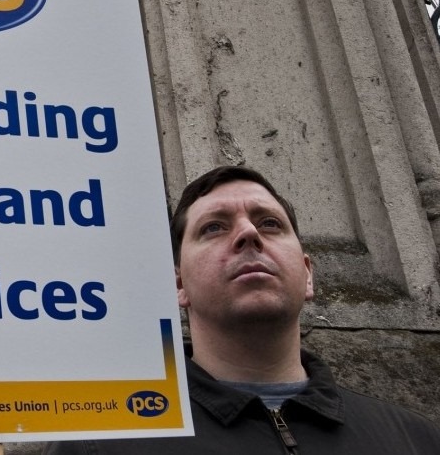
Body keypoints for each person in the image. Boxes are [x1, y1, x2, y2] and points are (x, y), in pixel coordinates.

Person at [44, 165, 440, 454]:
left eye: (269, 223)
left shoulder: (415, 440)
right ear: (178, 284)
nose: (249, 233)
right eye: (214, 227)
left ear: (307, 275)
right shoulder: (101, 444)